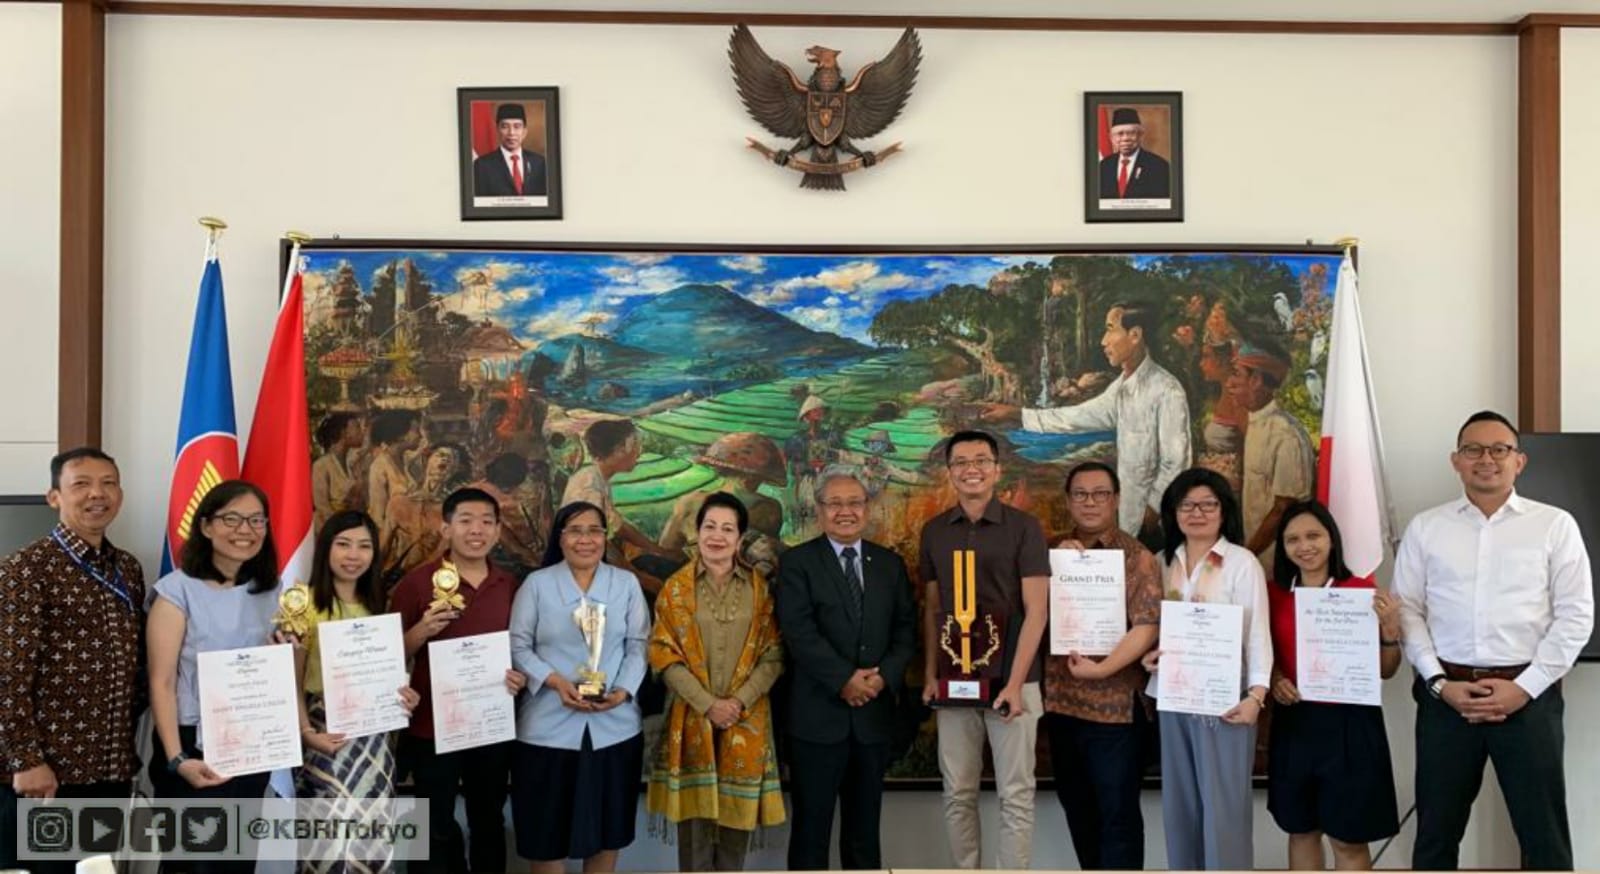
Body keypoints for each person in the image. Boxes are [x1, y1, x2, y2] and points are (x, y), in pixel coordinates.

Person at [1394, 410, 1594, 871]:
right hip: (1447, 700)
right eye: (1473, 450)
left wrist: (1524, 688)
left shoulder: (1554, 525)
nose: (1486, 459)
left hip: (1529, 700)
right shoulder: (1426, 527)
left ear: (1518, 461)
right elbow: (1407, 610)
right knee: (1435, 838)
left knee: (1544, 839)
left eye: (1499, 449)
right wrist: (1440, 684)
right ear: (1456, 461)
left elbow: (1576, 615)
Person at [0, 448, 145, 874]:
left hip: (109, 770)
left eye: (108, 483)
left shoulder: (127, 569)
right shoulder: (26, 569)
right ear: (54, 497)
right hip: (48, 777)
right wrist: (26, 760)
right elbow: (7, 675)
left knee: (96, 869)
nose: (97, 494)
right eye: (81, 484)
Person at [918, 430, 1051, 870]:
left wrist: (1014, 683)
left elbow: (1037, 611)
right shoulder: (934, 531)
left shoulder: (1024, 528)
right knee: (958, 790)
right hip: (954, 681)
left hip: (1014, 681)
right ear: (950, 472)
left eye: (980, 460)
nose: (970, 469)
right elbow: (933, 609)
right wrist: (931, 674)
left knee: (1016, 792)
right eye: (961, 462)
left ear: (997, 469)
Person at [776, 467, 916, 871]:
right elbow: (799, 632)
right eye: (834, 503)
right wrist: (844, 680)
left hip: (873, 720)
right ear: (819, 510)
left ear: (867, 508)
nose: (845, 511)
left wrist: (881, 678)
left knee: (864, 835)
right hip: (817, 721)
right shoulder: (798, 563)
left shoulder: (889, 564)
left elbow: (906, 630)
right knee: (811, 833)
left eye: (854, 502)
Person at [146, 479, 281, 874]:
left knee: (237, 861)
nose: (246, 530)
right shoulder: (176, 591)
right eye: (232, 519)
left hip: (251, 744)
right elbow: (161, 683)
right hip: (193, 745)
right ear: (205, 526)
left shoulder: (272, 591)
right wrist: (177, 758)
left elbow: (278, 672)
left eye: (256, 520)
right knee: (193, 863)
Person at [392, 487, 529, 874]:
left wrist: (519, 677)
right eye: (466, 521)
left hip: (490, 726)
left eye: (486, 522)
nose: (476, 530)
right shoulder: (417, 584)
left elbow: (521, 649)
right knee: (433, 824)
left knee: (488, 820)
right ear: (446, 528)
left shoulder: (510, 586)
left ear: (498, 531)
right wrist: (422, 629)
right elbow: (389, 657)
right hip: (432, 728)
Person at [647, 493, 786, 871]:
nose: (717, 536)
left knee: (733, 837)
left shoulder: (759, 589)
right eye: (709, 526)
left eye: (727, 528)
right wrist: (708, 704)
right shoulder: (675, 588)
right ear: (697, 532)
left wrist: (738, 702)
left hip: (746, 719)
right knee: (694, 838)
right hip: (693, 717)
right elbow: (663, 653)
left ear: (740, 538)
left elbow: (774, 654)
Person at [1141, 467, 1270, 870]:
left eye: (1208, 504)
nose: (1197, 513)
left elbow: (1258, 634)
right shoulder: (1161, 562)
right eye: (1187, 505)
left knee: (1223, 809)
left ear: (1223, 510)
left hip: (1226, 703)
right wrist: (1148, 656)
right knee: (1180, 806)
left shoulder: (1241, 563)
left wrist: (1256, 696)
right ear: (1173, 512)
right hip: (1173, 696)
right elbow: (1151, 627)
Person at [509, 501, 649, 873]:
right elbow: (517, 646)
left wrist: (622, 691)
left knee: (608, 831)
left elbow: (639, 645)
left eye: (594, 531)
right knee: (545, 834)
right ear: (560, 538)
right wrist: (555, 681)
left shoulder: (625, 584)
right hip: (547, 729)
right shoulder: (537, 585)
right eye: (574, 530)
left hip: (615, 728)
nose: (585, 539)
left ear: (605, 537)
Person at [1265, 500, 1401, 870]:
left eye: (1313, 536)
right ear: (1283, 547)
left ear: (1331, 539)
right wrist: (1275, 679)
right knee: (1301, 830)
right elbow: (1262, 652)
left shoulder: (1361, 591)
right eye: (1293, 539)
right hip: (1295, 720)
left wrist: (1390, 634)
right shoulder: (1273, 593)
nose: (1304, 546)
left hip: (1350, 724)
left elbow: (1386, 671)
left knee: (1347, 838)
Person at [1043, 461, 1161, 870]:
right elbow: (1030, 616)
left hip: (1115, 712)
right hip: (1062, 704)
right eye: (1080, 494)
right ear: (1068, 500)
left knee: (1118, 815)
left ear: (1116, 500)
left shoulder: (1138, 557)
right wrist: (1054, 568)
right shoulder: (1050, 552)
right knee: (1078, 808)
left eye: (1100, 494)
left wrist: (1103, 668)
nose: (1090, 502)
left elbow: (1146, 626)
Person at [991, 301, 1191, 542]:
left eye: (1110, 329)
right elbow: (1077, 417)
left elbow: (1176, 462)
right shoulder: (1121, 388)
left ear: (1135, 335)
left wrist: (1153, 511)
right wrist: (1017, 415)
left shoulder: (1167, 390)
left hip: (1155, 527)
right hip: (1130, 522)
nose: (1104, 341)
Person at [292, 510, 420, 874]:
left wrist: (405, 697)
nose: (353, 555)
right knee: (326, 840)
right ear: (326, 549)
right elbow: (291, 680)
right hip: (324, 732)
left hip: (375, 741)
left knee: (371, 838)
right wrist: (307, 733)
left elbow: (388, 676)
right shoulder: (303, 603)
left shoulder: (378, 607)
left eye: (364, 546)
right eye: (343, 544)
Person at [562, 418, 679, 594]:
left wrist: (659, 551)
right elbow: (597, 545)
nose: (638, 453)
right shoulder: (588, 488)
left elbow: (618, 527)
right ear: (617, 450)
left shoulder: (597, 478)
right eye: (634, 445)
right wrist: (642, 579)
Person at [1231, 343, 1315, 572]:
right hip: (1256, 565)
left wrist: (1246, 557)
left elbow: (1282, 509)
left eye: (1237, 374)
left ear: (1256, 380)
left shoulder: (1285, 435)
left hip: (1278, 568)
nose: (1230, 383)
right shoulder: (1255, 423)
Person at [473, 102, 548, 198]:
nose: (511, 133)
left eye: (517, 126)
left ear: (524, 131)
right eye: (505, 127)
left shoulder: (539, 163)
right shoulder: (482, 166)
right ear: (497, 130)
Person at [1097, 107, 1171, 199]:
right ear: (1112, 138)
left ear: (1140, 136)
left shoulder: (1159, 166)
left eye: (1131, 133)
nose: (1125, 138)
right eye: (1120, 134)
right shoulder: (1104, 166)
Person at [311, 412, 366, 530]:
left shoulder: (354, 462)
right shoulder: (321, 466)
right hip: (329, 529)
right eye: (357, 427)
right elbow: (322, 507)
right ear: (344, 433)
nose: (361, 431)